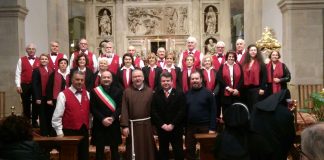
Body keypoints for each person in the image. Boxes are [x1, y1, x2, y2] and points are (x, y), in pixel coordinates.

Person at [52, 71, 90, 160]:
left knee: (84, 156)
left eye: (82, 80)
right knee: (69, 156)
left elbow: (88, 113)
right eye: (77, 79)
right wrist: (59, 132)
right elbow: (57, 117)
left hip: (84, 130)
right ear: (72, 80)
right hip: (69, 131)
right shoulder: (63, 94)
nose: (80, 82)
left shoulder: (87, 93)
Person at [120, 69, 156, 160]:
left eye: (139, 76)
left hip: (146, 126)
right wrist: (124, 126)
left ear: (143, 78)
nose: (137, 78)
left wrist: (154, 125)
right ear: (131, 79)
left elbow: (154, 110)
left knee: (147, 148)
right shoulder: (127, 92)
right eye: (135, 77)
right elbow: (124, 109)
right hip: (132, 126)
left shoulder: (150, 92)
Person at [250, 90, 296, 160]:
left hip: (258, 150)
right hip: (277, 151)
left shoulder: (256, 108)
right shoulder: (286, 113)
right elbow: (290, 136)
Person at [151, 72, 186, 160]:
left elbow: (182, 111)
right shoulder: (156, 94)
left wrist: (172, 124)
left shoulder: (179, 93)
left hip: (176, 128)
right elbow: (153, 111)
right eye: (163, 81)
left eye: (168, 81)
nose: (166, 83)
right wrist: (162, 125)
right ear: (160, 82)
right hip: (162, 129)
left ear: (172, 81)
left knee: (178, 152)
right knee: (163, 152)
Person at [90, 71, 123, 160]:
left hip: (113, 123)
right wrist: (102, 119)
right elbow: (93, 108)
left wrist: (112, 118)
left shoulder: (119, 91)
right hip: (99, 123)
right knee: (99, 151)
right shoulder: (95, 91)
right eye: (104, 77)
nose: (106, 79)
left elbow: (120, 107)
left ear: (112, 79)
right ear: (100, 79)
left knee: (115, 150)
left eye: (108, 77)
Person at [185, 71, 216, 160]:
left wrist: (212, 128)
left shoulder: (208, 93)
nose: (194, 80)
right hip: (191, 126)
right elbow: (185, 112)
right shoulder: (187, 94)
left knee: (207, 151)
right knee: (189, 150)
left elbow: (213, 111)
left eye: (197, 78)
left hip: (205, 126)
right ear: (190, 80)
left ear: (201, 80)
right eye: (192, 79)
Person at [15, 43, 40, 127]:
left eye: (33, 49)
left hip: (36, 86)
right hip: (25, 85)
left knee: (36, 103)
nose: (31, 50)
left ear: (35, 50)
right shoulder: (21, 60)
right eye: (29, 49)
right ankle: (26, 122)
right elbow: (18, 73)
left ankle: (34, 121)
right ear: (26, 50)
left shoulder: (40, 60)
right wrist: (18, 85)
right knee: (26, 104)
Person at [46, 58, 70, 136]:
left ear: (67, 65)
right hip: (56, 98)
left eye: (65, 63)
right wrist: (49, 99)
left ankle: (65, 131)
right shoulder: (53, 74)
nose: (63, 64)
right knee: (56, 115)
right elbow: (49, 86)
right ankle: (54, 133)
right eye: (61, 63)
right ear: (58, 65)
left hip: (68, 98)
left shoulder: (70, 74)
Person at [32, 53, 53, 136]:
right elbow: (35, 84)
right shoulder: (36, 70)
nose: (44, 60)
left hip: (49, 97)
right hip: (40, 96)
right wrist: (37, 97)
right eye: (42, 59)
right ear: (39, 60)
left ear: (48, 60)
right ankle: (44, 133)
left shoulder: (51, 70)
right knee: (42, 115)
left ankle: (50, 132)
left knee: (49, 114)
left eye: (45, 59)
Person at [241, 44, 267, 112]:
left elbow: (264, 76)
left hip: (257, 89)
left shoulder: (261, 63)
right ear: (248, 52)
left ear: (257, 52)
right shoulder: (245, 63)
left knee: (255, 107)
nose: (253, 52)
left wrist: (262, 88)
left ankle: (255, 122)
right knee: (247, 107)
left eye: (254, 50)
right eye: (251, 50)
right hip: (246, 89)